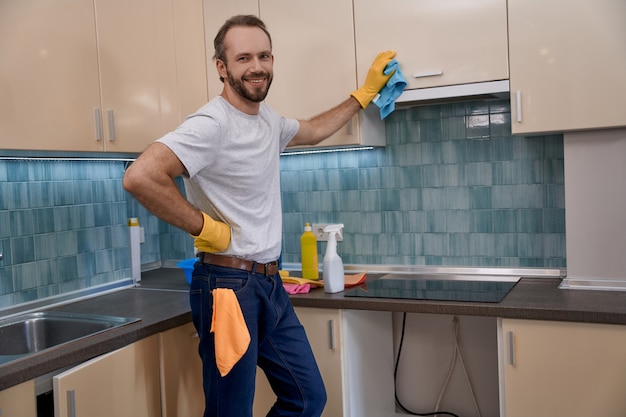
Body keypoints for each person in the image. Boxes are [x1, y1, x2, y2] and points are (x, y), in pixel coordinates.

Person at [123, 14, 395, 417]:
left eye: (264, 55)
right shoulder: (211, 124)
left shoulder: (268, 121)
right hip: (228, 287)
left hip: (269, 283)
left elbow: (315, 130)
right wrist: (204, 226)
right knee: (230, 411)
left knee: (306, 399)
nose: (257, 66)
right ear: (222, 67)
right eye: (244, 57)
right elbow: (140, 176)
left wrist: (364, 94)